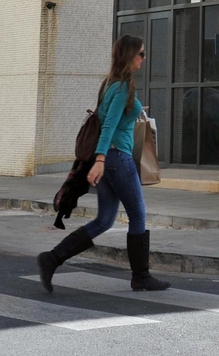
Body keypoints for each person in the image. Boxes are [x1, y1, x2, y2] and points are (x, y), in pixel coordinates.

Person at [37, 35, 170, 293]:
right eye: (141, 54)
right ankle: (141, 276)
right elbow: (108, 126)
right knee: (138, 214)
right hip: (116, 158)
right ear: (130, 56)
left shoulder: (110, 84)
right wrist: (99, 160)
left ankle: (51, 259)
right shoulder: (123, 88)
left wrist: (135, 111)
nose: (144, 58)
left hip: (110, 161)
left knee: (105, 220)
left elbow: (112, 118)